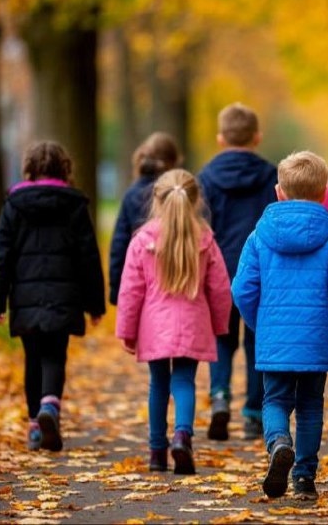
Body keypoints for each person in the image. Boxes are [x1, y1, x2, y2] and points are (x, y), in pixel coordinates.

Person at [231, 151, 328, 500]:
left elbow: (242, 287)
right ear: (323, 194)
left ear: (279, 192)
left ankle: (277, 443)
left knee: (274, 401)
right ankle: (304, 477)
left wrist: (259, 323)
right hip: (316, 340)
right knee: (309, 406)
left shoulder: (259, 236)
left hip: (274, 337)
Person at [0, 140, 105, 452]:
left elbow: (2, 256)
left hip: (26, 296)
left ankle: (35, 426)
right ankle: (50, 407)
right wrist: (95, 304)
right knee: (55, 355)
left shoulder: (14, 205)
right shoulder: (74, 205)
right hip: (64, 295)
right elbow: (88, 257)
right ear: (65, 169)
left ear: (30, 169)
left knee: (33, 358)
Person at [115, 169, 232, 474]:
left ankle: (157, 452)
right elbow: (219, 288)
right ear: (195, 200)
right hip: (193, 323)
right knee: (184, 381)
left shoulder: (143, 240)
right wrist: (220, 325)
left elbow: (130, 290)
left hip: (155, 327)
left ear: (157, 199)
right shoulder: (205, 238)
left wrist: (127, 331)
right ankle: (182, 435)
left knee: (158, 384)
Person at [198, 103, 277, 441]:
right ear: (257, 137)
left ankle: (219, 397)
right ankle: (255, 414)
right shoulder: (272, 175)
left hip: (219, 268)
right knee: (257, 340)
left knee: (221, 336)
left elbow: (202, 226)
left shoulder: (205, 178)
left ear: (220, 138)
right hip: (261, 272)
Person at [109, 132, 181, 306]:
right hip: (177, 279)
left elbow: (119, 244)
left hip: (140, 279)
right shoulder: (178, 194)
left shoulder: (131, 195)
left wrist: (116, 289)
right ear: (173, 163)